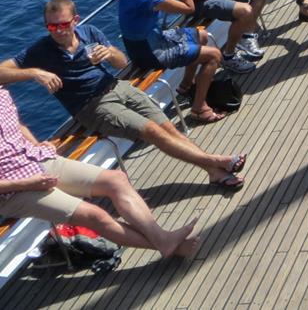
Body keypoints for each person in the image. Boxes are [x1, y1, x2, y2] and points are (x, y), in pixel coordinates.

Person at [1, 0, 247, 188]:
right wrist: (34, 72)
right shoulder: (42, 50)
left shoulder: (89, 33)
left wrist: (109, 53)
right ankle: (216, 162)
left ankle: (213, 171)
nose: (58, 30)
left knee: (168, 127)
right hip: (91, 106)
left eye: (63, 24)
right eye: (52, 26)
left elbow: (121, 63)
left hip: (117, 87)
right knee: (152, 131)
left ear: (75, 20)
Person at [0, 86, 200, 259]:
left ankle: (162, 239)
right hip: (14, 189)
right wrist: (28, 184)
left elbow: (17, 126)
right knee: (95, 215)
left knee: (116, 180)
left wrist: (36, 145)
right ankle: (164, 244)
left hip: (36, 159)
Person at [116, 0, 227, 123]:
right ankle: (199, 109)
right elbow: (189, 8)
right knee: (214, 55)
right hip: (153, 54)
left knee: (202, 35)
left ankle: (186, 86)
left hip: (142, 46)